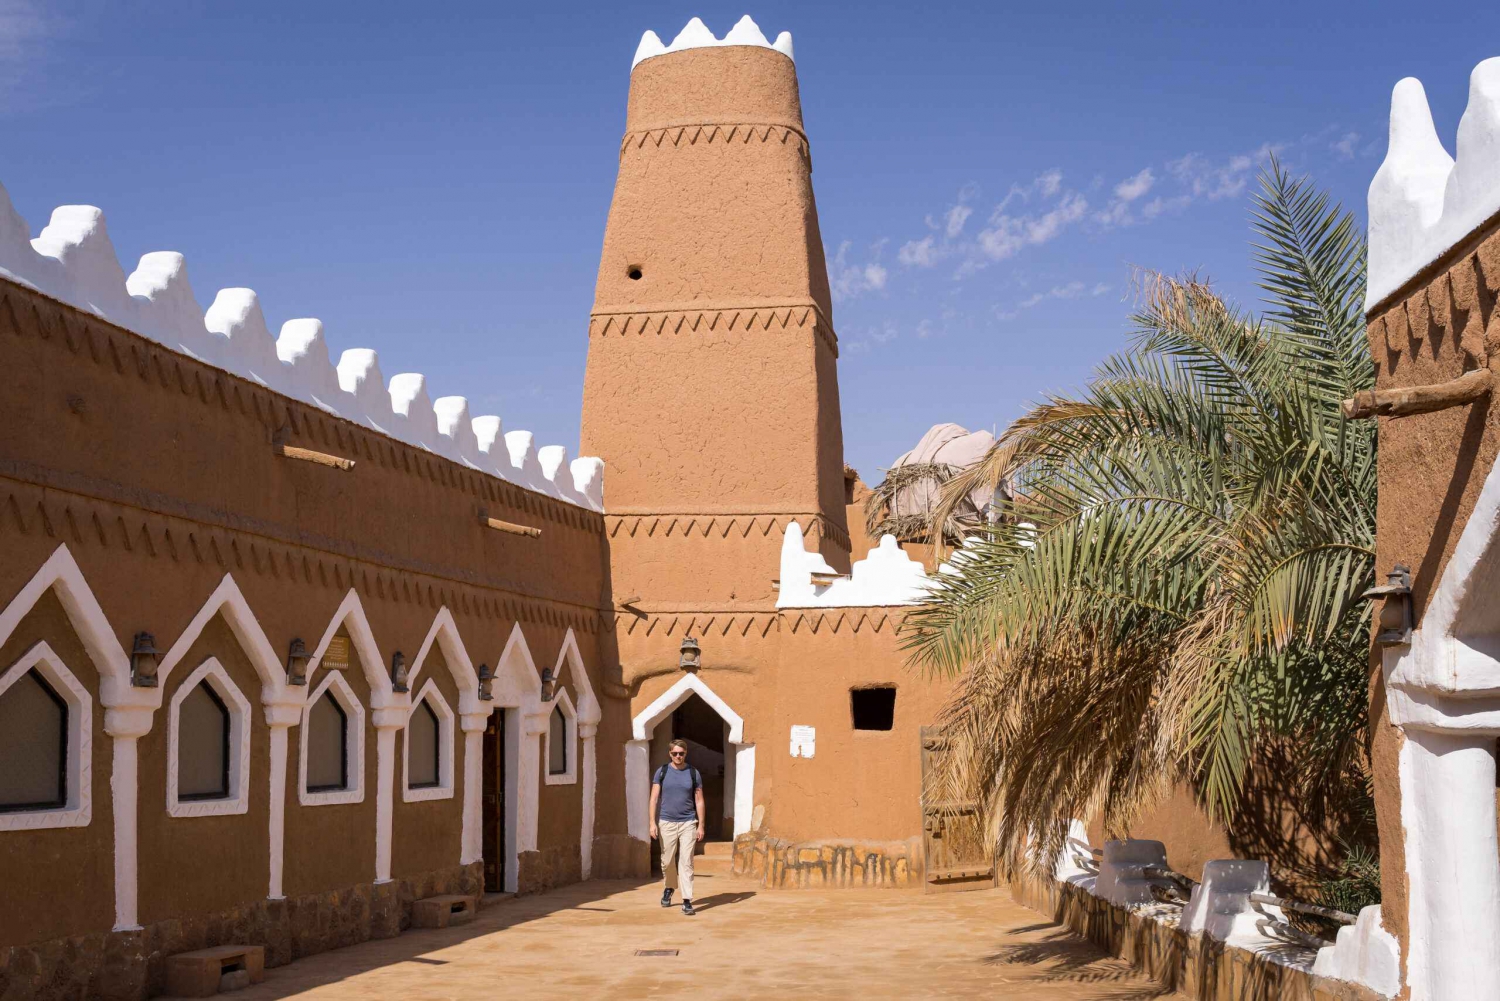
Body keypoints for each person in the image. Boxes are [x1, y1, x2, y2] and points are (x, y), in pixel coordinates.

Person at [648, 738, 705, 916]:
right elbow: (654, 798)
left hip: (688, 822)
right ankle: (670, 887)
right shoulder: (662, 772)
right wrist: (652, 822)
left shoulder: (693, 773)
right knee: (667, 860)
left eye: (681, 753)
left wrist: (701, 825)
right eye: (675, 753)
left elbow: (699, 800)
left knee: (686, 861)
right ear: (670, 754)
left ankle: (687, 900)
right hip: (667, 821)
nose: (678, 756)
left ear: (685, 754)